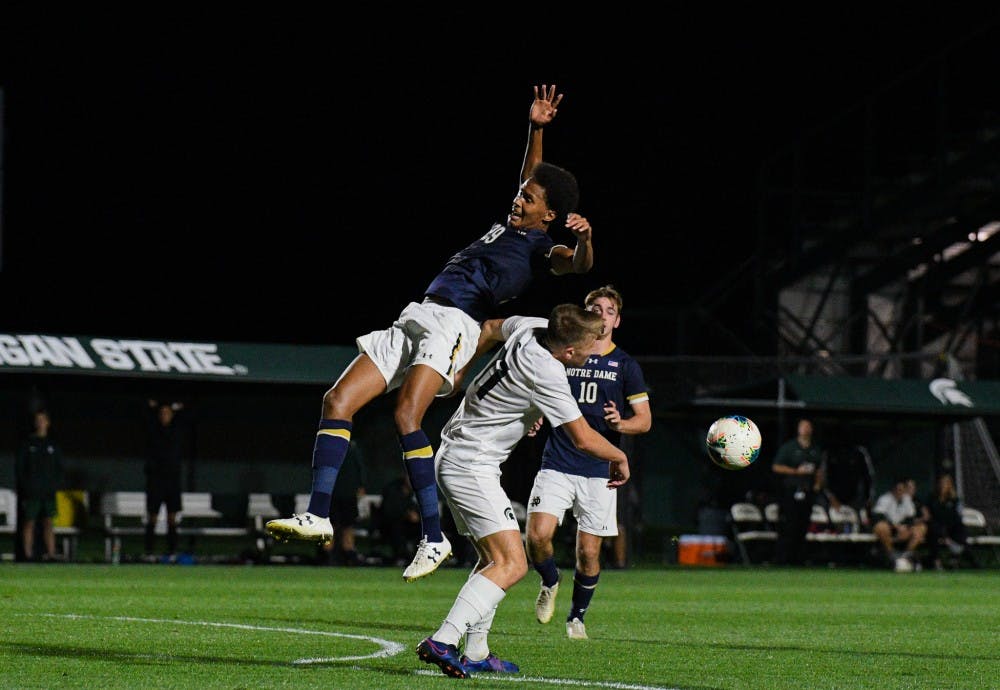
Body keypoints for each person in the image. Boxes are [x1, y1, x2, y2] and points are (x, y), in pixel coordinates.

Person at [266, 84, 595, 582]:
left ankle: (434, 536)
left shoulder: (540, 249)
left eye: (528, 197)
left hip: (454, 323)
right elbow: (532, 172)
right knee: (336, 401)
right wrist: (537, 127)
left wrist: (587, 239)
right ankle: (316, 515)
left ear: (548, 215)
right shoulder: (513, 221)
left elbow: (577, 265)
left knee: (406, 415)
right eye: (520, 191)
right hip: (416, 313)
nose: (519, 196)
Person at [416, 304, 630, 678]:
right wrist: (619, 456)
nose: (590, 353)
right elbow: (582, 438)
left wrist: (465, 373)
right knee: (513, 564)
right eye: (585, 349)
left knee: (492, 560)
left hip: (458, 454)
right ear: (567, 353)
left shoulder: (532, 325)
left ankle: (477, 651)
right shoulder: (549, 371)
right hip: (471, 465)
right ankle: (443, 640)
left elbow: (490, 326)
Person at [524, 285, 651, 640]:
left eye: (609, 309)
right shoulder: (564, 354)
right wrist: (533, 415)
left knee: (589, 552)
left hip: (599, 471)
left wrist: (620, 425)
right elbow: (540, 395)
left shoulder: (625, 365)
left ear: (617, 320)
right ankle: (551, 579)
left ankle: (576, 617)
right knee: (536, 537)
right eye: (594, 307)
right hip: (558, 461)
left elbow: (644, 419)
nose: (601, 313)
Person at [771, 418, 824, 565]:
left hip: (808, 491)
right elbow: (776, 467)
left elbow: (819, 470)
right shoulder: (789, 447)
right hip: (791, 491)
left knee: (803, 524)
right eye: (803, 427)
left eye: (808, 427)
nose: (806, 429)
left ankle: (799, 558)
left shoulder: (814, 449)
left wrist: (818, 484)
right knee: (789, 524)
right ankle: (783, 559)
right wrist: (795, 471)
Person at [16, 409, 64, 562]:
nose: (40, 423)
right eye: (38, 420)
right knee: (29, 522)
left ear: (48, 423)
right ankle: (28, 555)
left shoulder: (53, 445)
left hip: (48, 492)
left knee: (49, 522)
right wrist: (26, 486)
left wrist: (54, 485)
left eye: (43, 420)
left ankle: (51, 554)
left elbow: (59, 468)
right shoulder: (28, 444)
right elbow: (20, 467)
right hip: (32, 492)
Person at [144, 399, 187, 561]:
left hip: (172, 482)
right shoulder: (153, 431)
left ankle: (172, 553)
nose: (164, 416)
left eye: (167, 413)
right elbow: (146, 413)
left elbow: (187, 412)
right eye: (162, 413)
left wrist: (177, 408)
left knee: (172, 519)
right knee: (152, 518)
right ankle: (149, 553)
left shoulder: (177, 431)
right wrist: (152, 407)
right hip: (155, 482)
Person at [319, 441, 366, 566]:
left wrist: (360, 485)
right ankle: (327, 555)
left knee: (348, 526)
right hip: (332, 492)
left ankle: (349, 552)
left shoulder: (353, 448)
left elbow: (360, 468)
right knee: (330, 525)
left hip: (348, 494)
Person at [922, 472, 978, 570]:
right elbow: (928, 514)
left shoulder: (954, 499)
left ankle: (963, 557)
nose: (943, 485)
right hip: (936, 525)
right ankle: (936, 560)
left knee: (960, 529)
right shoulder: (932, 498)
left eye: (945, 483)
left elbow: (956, 515)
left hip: (951, 526)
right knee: (934, 530)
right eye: (941, 483)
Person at [871, 476, 927, 572]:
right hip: (890, 528)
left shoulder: (907, 499)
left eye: (902, 489)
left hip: (903, 530)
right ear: (893, 489)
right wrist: (896, 527)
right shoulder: (885, 499)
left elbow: (911, 517)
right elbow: (878, 516)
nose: (899, 492)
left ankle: (906, 555)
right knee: (881, 527)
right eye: (898, 489)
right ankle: (892, 555)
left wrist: (905, 527)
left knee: (921, 528)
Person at [377, 471, 422, 567]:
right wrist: (407, 514)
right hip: (389, 525)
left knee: (422, 527)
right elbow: (389, 511)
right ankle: (401, 557)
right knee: (397, 527)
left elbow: (416, 509)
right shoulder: (392, 489)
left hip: (408, 525)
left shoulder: (415, 492)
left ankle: (420, 557)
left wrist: (415, 515)